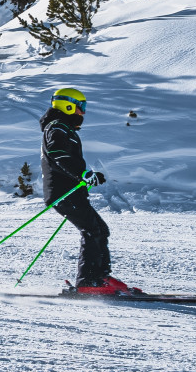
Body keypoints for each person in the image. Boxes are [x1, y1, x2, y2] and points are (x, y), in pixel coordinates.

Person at [39, 87, 139, 295]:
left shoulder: (65, 128)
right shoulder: (57, 128)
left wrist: (88, 174)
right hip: (62, 193)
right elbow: (59, 156)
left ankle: (100, 277)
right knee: (92, 230)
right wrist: (82, 174)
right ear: (67, 105)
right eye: (80, 107)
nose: (82, 112)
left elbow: (68, 159)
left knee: (100, 230)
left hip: (71, 191)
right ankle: (88, 282)